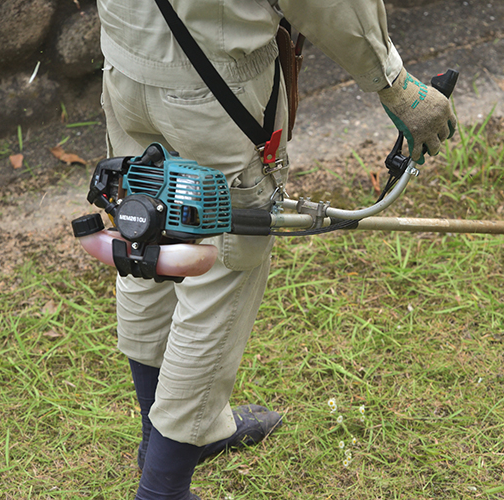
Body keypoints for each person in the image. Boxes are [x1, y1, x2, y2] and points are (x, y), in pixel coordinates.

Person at [95, 0, 457, 497]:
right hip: (211, 86)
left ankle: (162, 442)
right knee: (219, 271)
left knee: (149, 245)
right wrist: (394, 81)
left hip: (125, 61)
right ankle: (163, 487)